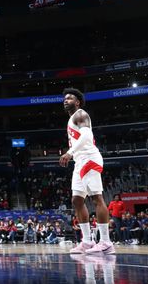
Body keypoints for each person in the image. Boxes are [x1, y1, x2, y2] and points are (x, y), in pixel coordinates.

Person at [59, 87, 115, 254]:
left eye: (69, 98)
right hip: (79, 161)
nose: (65, 100)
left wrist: (69, 152)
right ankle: (87, 241)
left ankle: (106, 242)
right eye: (64, 98)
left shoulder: (81, 115)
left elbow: (87, 136)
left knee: (97, 198)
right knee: (76, 200)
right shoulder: (71, 119)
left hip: (89, 158)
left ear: (77, 102)